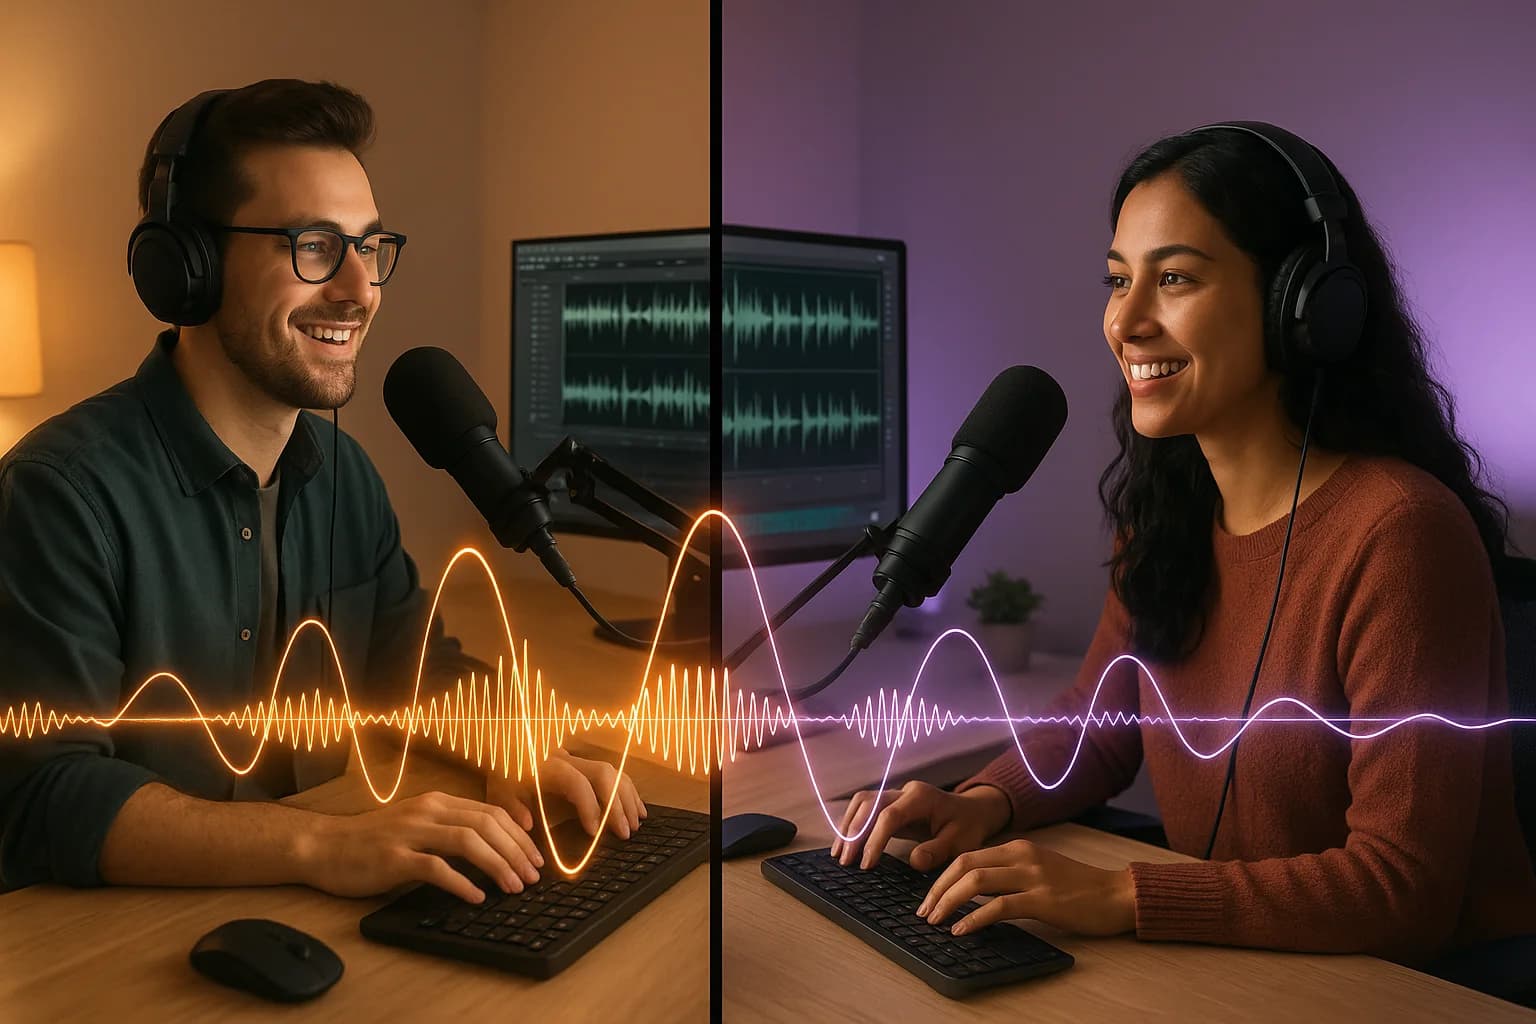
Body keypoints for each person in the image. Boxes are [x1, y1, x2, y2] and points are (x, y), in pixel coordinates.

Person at [833, 122, 1536, 966]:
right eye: (1117, 279)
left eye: (1173, 279)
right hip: (1246, 963)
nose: (1125, 321)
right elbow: (1098, 727)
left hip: (1423, 984)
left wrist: (1122, 893)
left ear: (1301, 304)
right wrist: (982, 801)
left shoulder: (1400, 534)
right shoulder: (1167, 515)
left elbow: (1401, 887)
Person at [0, 79, 644, 905]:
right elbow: (44, 794)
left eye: (370, 247)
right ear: (187, 266)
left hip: (311, 927)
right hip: (124, 952)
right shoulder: (61, 495)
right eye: (313, 245)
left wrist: (519, 744)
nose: (360, 289)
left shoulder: (344, 476)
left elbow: (412, 669)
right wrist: (324, 843)